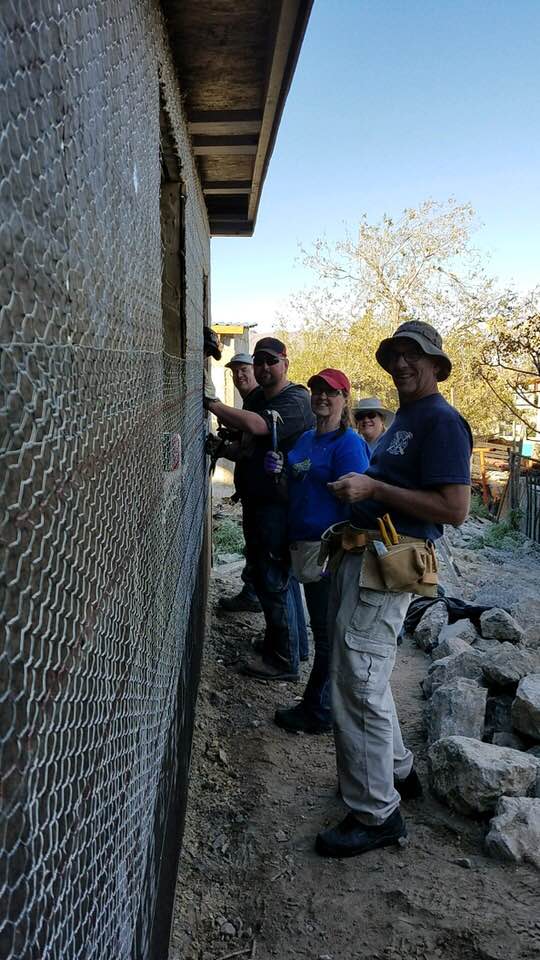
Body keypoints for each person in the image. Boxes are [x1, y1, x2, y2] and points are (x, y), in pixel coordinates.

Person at [315, 319, 473, 859]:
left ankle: (375, 812)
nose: (401, 363)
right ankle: (396, 771)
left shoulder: (443, 421)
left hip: (389, 563)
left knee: (357, 681)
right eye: (395, 355)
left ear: (436, 364)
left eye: (414, 355)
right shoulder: (407, 418)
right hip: (365, 558)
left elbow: (455, 509)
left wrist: (373, 486)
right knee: (369, 677)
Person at [264, 369, 370, 733]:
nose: (322, 397)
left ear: (344, 399)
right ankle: (321, 703)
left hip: (331, 550)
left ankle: (319, 709)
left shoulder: (349, 444)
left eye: (331, 392)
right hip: (302, 545)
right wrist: (278, 471)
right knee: (322, 629)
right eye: (317, 391)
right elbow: (288, 492)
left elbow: (359, 500)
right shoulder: (306, 440)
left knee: (326, 635)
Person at [204, 337, 315, 681]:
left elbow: (258, 426)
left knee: (274, 579)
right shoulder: (260, 398)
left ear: (285, 363)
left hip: (278, 506)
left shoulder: (296, 400)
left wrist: (211, 403)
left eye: (271, 362)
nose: (264, 368)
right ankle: (290, 647)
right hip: (261, 501)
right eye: (259, 362)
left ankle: (283, 660)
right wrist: (224, 448)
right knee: (279, 579)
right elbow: (249, 445)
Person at [217, 353, 263, 613]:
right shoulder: (250, 402)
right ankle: (252, 592)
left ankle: (252, 594)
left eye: (244, 369)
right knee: (252, 542)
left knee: (257, 546)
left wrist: (225, 449)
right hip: (251, 492)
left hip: (261, 494)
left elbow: (247, 450)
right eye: (235, 372)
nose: (240, 376)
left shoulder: (258, 401)